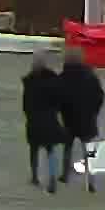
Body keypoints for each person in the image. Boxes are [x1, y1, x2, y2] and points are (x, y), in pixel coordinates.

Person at [53, 44, 105, 183]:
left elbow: (56, 98)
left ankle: (65, 175)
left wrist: (60, 112)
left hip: (69, 119)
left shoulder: (62, 78)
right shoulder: (90, 77)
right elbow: (99, 96)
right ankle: (91, 179)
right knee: (87, 150)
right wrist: (94, 112)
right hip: (87, 120)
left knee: (67, 149)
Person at [20, 48, 71, 191]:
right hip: (49, 119)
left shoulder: (29, 81)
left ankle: (35, 177)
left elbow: (26, 103)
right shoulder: (53, 79)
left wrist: (29, 115)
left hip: (34, 121)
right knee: (50, 151)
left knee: (34, 151)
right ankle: (52, 178)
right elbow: (59, 99)